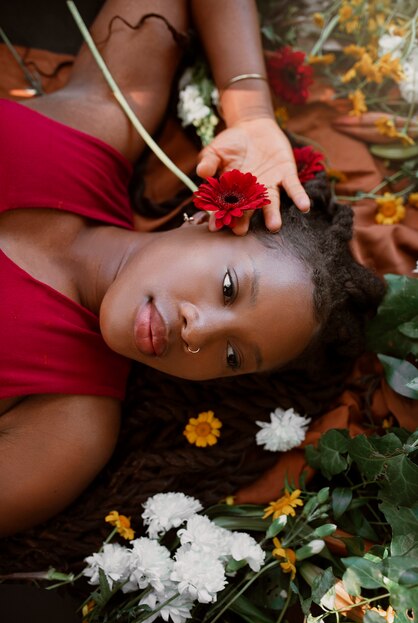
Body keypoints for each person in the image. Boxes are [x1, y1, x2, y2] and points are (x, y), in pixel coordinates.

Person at [0, 0, 384, 537]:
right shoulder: (98, 120)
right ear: (212, 217)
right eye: (229, 289)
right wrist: (250, 113)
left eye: (231, 357)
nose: (197, 331)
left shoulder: (67, 429)